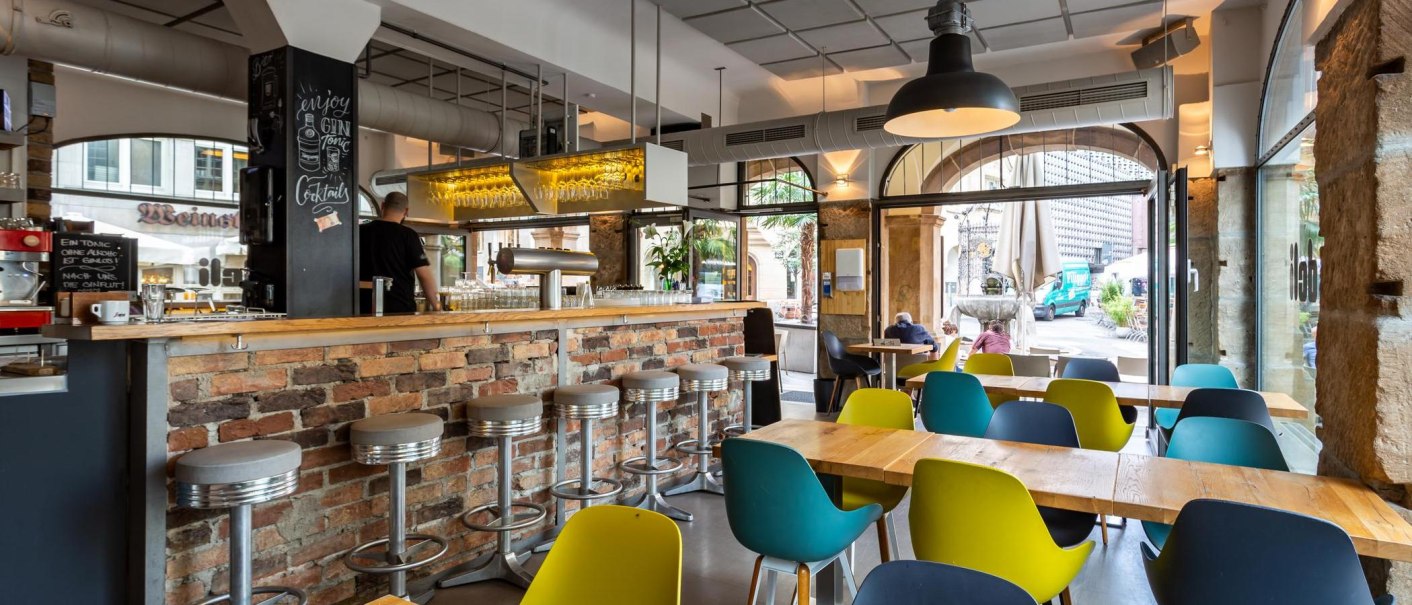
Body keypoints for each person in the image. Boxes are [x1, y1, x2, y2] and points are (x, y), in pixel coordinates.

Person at [359, 192, 441, 314]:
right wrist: (437, 307)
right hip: (399, 308)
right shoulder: (408, 235)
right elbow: (424, 275)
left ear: (382, 206)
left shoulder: (360, 231)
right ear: (406, 211)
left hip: (362, 307)